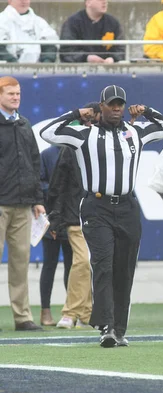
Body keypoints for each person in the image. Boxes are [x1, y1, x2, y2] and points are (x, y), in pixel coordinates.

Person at [40, 85, 163, 347]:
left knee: (124, 268)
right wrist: (75, 114)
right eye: (111, 104)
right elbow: (47, 133)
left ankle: (119, 329)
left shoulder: (135, 131)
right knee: (103, 265)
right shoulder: (83, 134)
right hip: (96, 206)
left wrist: (147, 110)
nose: (116, 109)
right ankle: (106, 327)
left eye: (120, 104)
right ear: (100, 107)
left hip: (127, 207)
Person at [49, 102, 100, 330]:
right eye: (87, 120)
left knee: (91, 264)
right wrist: (56, 218)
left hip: (101, 215)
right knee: (82, 261)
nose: (90, 125)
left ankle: (86, 313)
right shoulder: (70, 148)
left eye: (95, 121)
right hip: (75, 214)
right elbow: (58, 185)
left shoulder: (106, 146)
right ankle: (70, 312)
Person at [0, 75, 44, 332]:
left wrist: (37, 199)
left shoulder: (25, 124)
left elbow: (33, 164)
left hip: (23, 205)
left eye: (18, 94)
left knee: (20, 263)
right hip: (1, 203)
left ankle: (22, 317)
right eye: (10, 94)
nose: (16, 97)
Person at [39, 145, 73, 327]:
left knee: (73, 266)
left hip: (71, 217)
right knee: (49, 265)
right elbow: (40, 181)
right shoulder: (47, 154)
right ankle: (45, 311)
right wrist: (54, 191)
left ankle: (71, 310)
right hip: (51, 216)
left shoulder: (77, 151)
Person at [59, 0, 124, 63]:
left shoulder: (113, 23)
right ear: (88, 2)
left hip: (109, 69)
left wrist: (112, 59)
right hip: (79, 70)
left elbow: (121, 49)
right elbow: (66, 51)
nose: (105, 2)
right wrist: (87, 58)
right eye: (100, 0)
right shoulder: (72, 23)